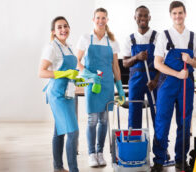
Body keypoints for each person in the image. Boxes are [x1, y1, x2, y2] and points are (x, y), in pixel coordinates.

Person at [151, 1, 196, 171]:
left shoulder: (194, 37)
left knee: (185, 121)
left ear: (185, 14)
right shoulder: (163, 36)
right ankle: (159, 160)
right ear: (171, 15)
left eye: (180, 13)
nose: (178, 16)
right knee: (162, 121)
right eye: (174, 13)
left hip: (186, 84)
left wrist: (191, 61)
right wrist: (177, 74)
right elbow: (157, 64)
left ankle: (181, 160)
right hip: (167, 83)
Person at [76, 7, 125, 168]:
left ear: (107, 20)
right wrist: (89, 75)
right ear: (93, 19)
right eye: (98, 18)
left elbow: (115, 67)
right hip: (92, 83)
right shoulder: (85, 38)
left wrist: (120, 87)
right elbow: (76, 62)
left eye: (103, 18)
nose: (101, 20)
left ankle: (100, 152)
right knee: (92, 120)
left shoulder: (112, 41)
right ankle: (91, 153)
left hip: (107, 85)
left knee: (104, 120)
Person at [39, 16, 80, 172]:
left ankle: (58, 167)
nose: (63, 30)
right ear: (54, 32)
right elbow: (41, 72)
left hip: (68, 93)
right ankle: (74, 169)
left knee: (60, 131)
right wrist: (64, 74)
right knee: (72, 132)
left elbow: (71, 71)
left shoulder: (68, 46)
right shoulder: (52, 48)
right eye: (59, 27)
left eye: (65, 26)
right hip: (57, 94)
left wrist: (79, 77)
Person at [122, 5, 160, 129]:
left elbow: (163, 63)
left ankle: (159, 146)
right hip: (135, 80)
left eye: (145, 15)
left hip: (153, 80)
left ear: (150, 17)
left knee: (157, 112)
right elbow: (125, 63)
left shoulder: (157, 37)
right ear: (135, 17)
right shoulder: (130, 39)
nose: (142, 18)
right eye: (140, 15)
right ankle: (134, 143)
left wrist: (155, 80)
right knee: (134, 112)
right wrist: (137, 57)